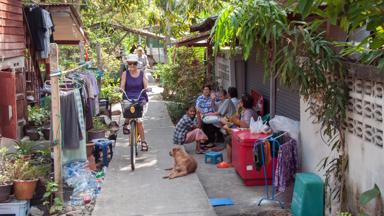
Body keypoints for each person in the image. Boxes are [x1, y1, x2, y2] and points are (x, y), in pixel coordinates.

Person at [216, 93, 257, 168]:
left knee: (229, 139)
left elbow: (246, 125)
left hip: (249, 134)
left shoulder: (248, 112)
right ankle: (232, 159)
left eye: (241, 101)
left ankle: (229, 162)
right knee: (227, 132)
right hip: (245, 132)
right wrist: (238, 110)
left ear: (243, 103)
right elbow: (235, 117)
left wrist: (236, 121)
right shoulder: (244, 110)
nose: (239, 102)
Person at [120, 54, 149, 151]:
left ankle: (143, 141)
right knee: (127, 108)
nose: (132, 65)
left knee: (139, 120)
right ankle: (126, 122)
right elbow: (122, 85)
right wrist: (120, 89)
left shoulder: (141, 73)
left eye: (134, 63)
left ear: (137, 64)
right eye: (129, 63)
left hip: (140, 98)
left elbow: (145, 85)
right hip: (128, 97)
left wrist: (147, 88)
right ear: (127, 64)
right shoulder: (125, 73)